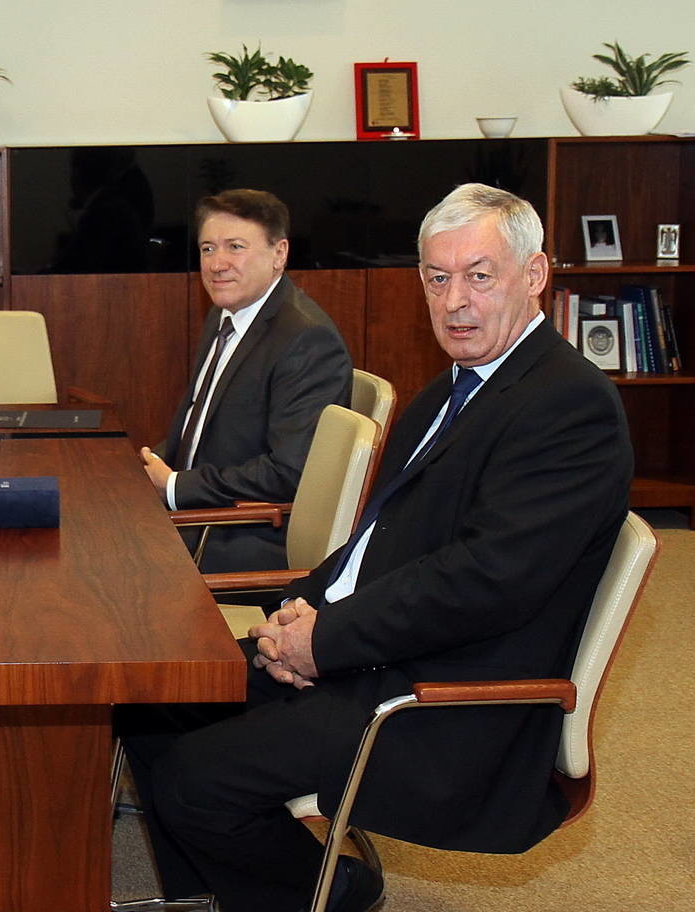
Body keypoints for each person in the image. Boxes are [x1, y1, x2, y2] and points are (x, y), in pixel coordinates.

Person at [118, 183, 633, 912]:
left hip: (443, 697)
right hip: (378, 649)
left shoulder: (568, 405)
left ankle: (334, 894)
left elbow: (483, 582)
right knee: (152, 704)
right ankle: (218, 887)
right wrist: (300, 609)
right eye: (437, 278)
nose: (455, 301)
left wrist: (325, 642)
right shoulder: (453, 388)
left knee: (197, 779)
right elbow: (375, 540)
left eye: (479, 276)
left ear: (535, 275)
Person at [139, 189, 352, 572]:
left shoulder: (306, 339)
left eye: (235, 247)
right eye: (207, 249)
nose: (217, 264)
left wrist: (174, 487)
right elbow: (201, 429)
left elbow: (290, 472)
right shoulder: (224, 314)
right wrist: (146, 465)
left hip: (239, 534)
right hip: (198, 513)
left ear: (279, 254)